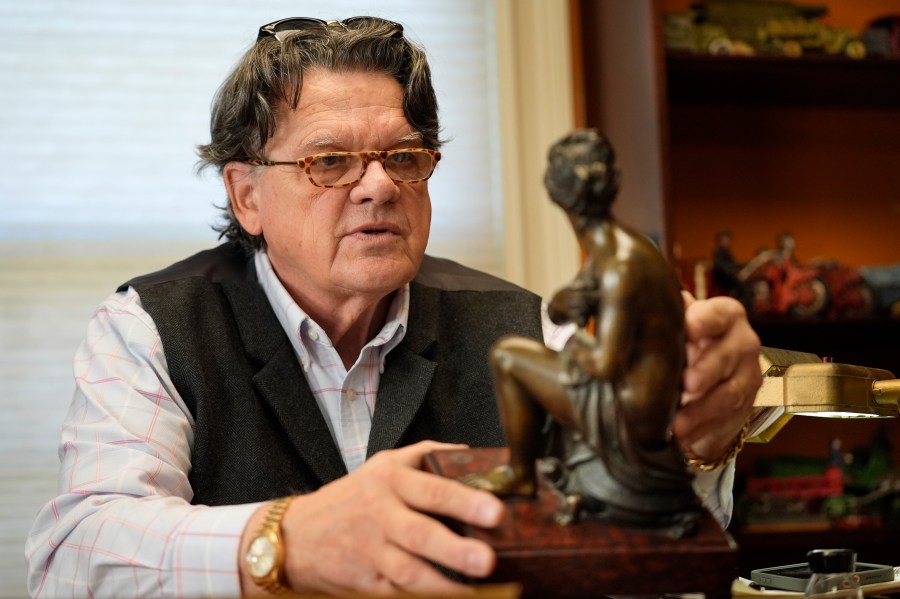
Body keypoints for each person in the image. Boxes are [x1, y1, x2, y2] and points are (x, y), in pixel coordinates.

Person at [25, 16, 762, 598]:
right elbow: (73, 559)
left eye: (404, 158)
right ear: (246, 194)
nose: (378, 186)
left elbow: (643, 555)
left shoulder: (525, 327)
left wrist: (695, 438)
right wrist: (290, 538)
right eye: (330, 161)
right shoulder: (148, 329)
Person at [464, 130, 706, 537]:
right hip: (637, 392)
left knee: (507, 356)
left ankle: (521, 473)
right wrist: (565, 306)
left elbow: (606, 364)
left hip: (631, 408)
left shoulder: (619, 266)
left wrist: (575, 345)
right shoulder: (618, 245)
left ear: (558, 193)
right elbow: (577, 300)